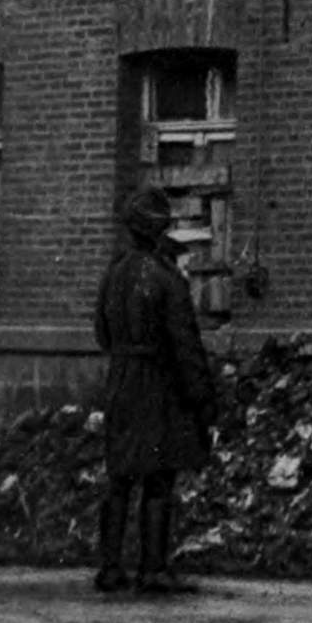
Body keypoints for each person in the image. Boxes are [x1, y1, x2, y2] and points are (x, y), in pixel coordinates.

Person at [93, 188, 217, 596]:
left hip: (121, 379)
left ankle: (110, 568)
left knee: (119, 477)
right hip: (157, 384)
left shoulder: (113, 274)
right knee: (159, 479)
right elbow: (185, 346)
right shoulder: (167, 279)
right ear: (160, 230)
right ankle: (153, 570)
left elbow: (102, 334)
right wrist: (202, 398)